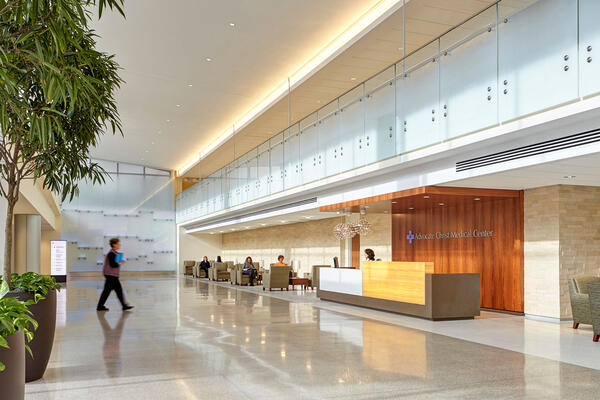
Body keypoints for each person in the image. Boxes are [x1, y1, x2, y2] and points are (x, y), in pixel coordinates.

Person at [97, 238, 134, 312]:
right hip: (111, 275)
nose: (119, 245)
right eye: (118, 243)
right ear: (114, 244)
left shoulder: (115, 253)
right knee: (117, 290)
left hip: (111, 275)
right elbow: (113, 265)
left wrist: (120, 261)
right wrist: (121, 262)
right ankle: (124, 306)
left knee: (107, 291)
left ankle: (100, 306)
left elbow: (115, 263)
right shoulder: (111, 253)